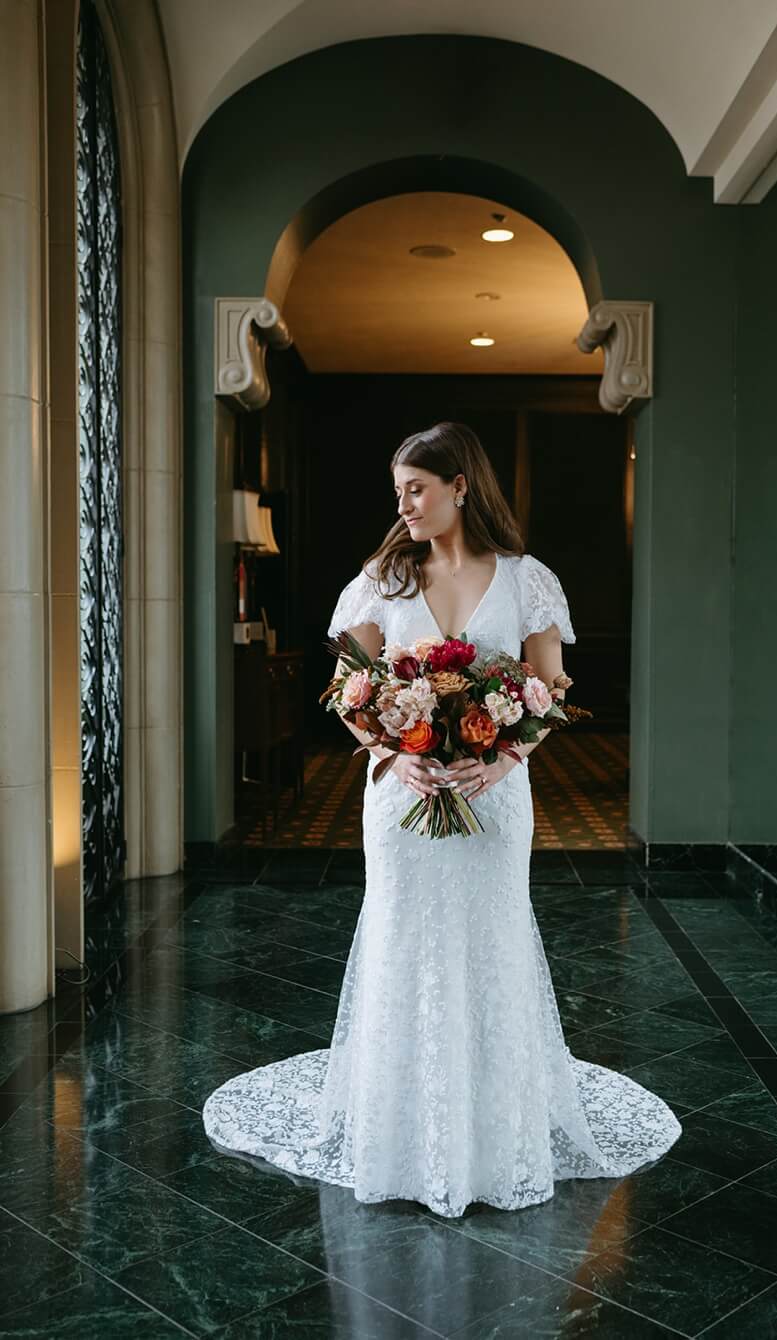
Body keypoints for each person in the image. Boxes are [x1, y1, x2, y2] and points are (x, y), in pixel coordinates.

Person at [201, 421, 680, 1217]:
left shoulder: (526, 580)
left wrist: (498, 761)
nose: (405, 505)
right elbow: (348, 693)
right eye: (398, 492)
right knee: (402, 939)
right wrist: (391, 755)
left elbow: (550, 696)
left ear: (461, 485)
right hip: (401, 798)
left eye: (417, 489)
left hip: (495, 801)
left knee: (489, 941)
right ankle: (401, 1135)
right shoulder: (383, 580)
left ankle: (493, 1137)